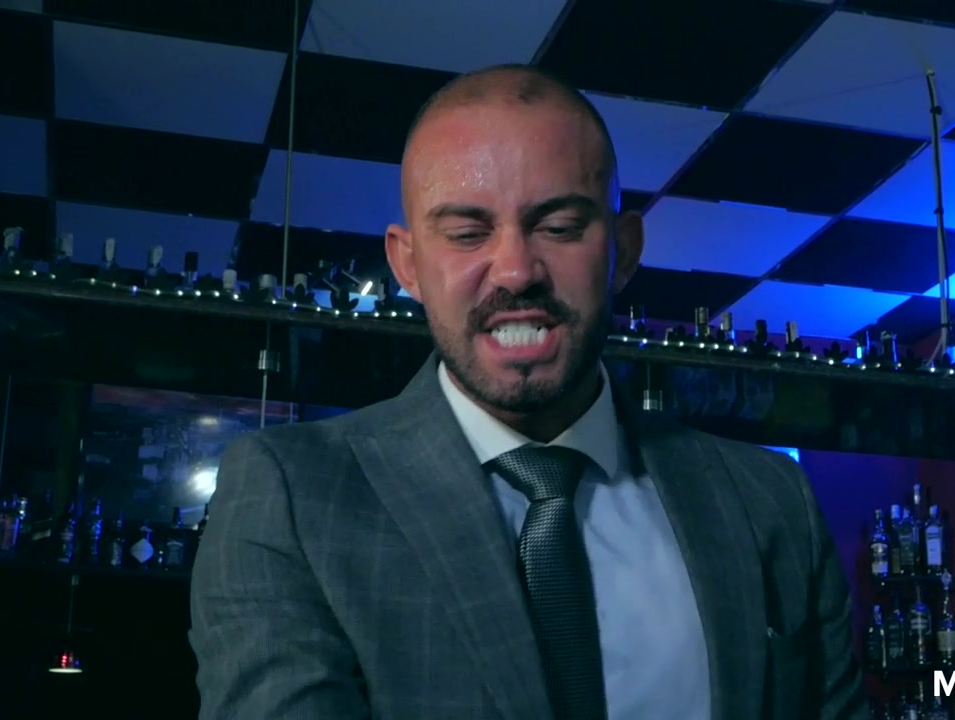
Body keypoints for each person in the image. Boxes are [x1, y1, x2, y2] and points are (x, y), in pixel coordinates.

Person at [189, 64, 868, 720]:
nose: (516, 271)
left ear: (624, 250)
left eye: (560, 227)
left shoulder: (771, 501)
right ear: (407, 264)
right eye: (467, 233)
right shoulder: (291, 496)